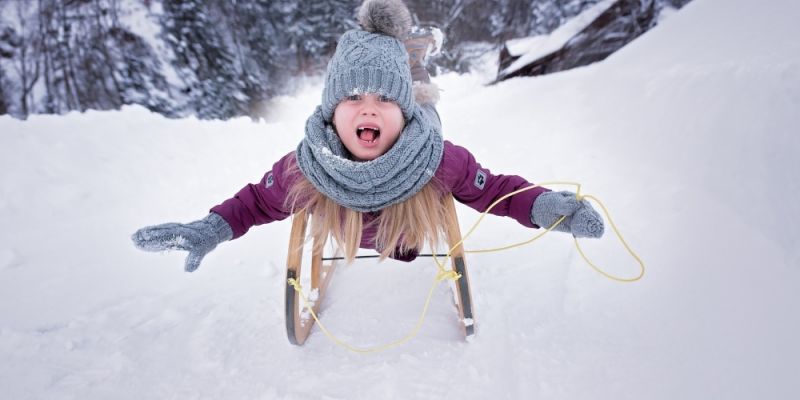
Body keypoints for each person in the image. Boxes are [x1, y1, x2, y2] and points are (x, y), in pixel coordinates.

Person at [131, 0, 604, 273]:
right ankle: (406, 60)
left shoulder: (436, 161)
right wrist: (210, 228)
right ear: (331, 111)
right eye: (353, 98)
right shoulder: (308, 166)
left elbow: (497, 191)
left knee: (418, 98)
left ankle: (412, 67)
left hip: (414, 157)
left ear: (402, 112)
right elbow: (256, 202)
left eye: (385, 100)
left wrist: (547, 208)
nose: (369, 108)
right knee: (395, 85)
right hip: (373, 174)